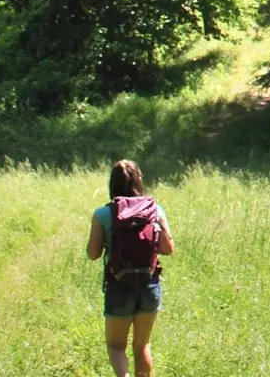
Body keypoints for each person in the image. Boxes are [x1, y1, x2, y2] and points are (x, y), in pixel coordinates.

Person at [85, 159, 175, 377]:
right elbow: (168, 248)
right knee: (142, 345)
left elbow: (93, 254)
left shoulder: (102, 214)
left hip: (119, 286)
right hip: (149, 284)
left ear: (112, 183)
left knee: (116, 346)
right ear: (139, 181)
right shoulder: (156, 210)